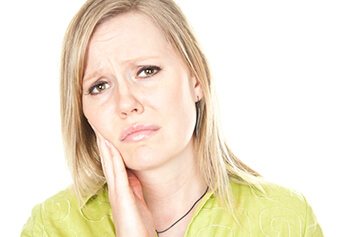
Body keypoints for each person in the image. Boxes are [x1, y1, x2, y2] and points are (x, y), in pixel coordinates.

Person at [21, 0, 323, 236]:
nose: (126, 103)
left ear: (196, 80)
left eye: (146, 71)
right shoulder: (52, 227)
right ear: (82, 110)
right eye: (99, 86)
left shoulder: (286, 218)